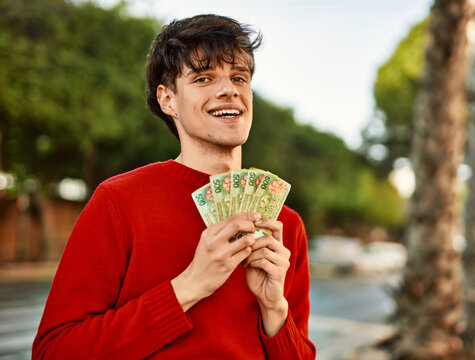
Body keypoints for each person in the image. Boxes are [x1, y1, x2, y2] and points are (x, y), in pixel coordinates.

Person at [32, 14, 316, 359]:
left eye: (239, 77)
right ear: (167, 100)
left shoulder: (286, 225)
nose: (230, 90)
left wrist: (274, 311)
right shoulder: (118, 202)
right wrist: (189, 286)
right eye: (204, 78)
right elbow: (54, 352)